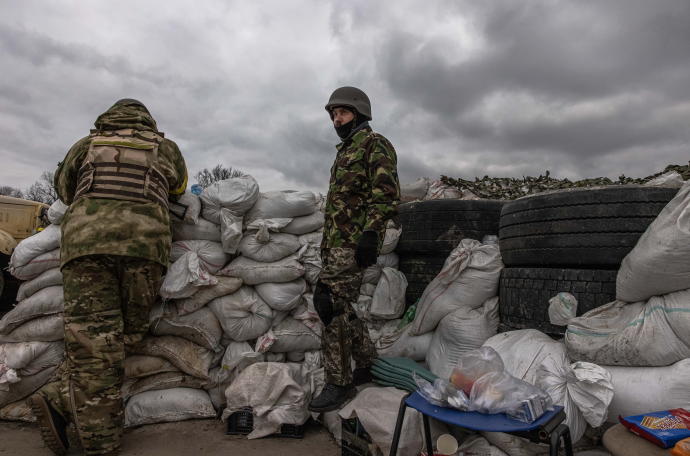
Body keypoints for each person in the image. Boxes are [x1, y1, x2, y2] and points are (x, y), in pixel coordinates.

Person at [29, 98, 187, 455]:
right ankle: (101, 443)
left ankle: (60, 397)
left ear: (107, 119)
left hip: (87, 248)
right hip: (144, 250)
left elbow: (65, 191)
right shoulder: (167, 148)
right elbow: (177, 190)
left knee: (95, 343)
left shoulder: (86, 145)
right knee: (126, 335)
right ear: (148, 121)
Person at [309, 87, 401, 412]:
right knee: (340, 306)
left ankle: (339, 383)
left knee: (328, 302)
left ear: (359, 114)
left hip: (352, 243)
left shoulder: (374, 144)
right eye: (333, 115)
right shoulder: (343, 152)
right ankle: (365, 363)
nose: (337, 119)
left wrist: (371, 234)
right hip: (334, 243)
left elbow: (386, 194)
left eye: (343, 113)